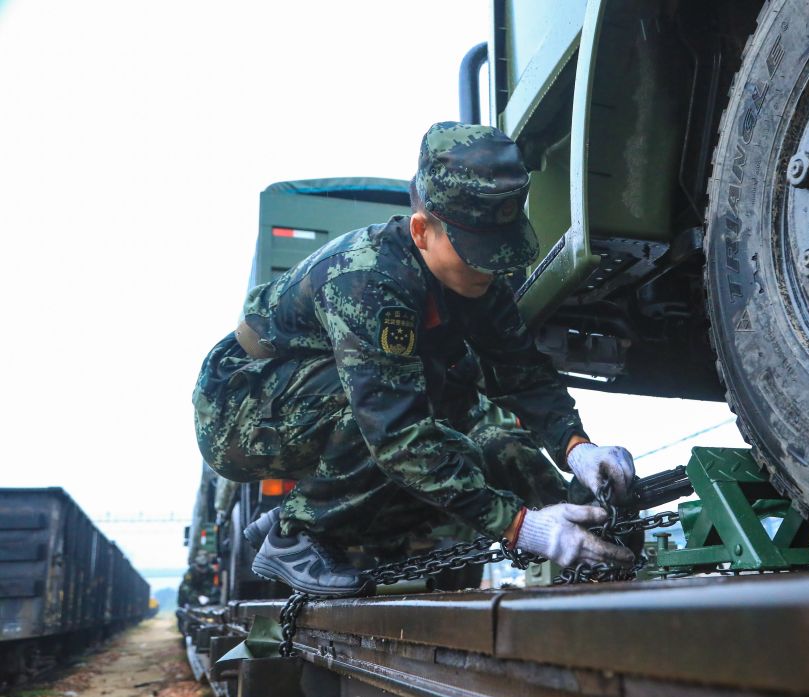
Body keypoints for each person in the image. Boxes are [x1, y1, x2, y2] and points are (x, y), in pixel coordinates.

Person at [193, 122, 636, 596]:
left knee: (461, 443)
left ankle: (297, 513)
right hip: (238, 408)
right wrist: (522, 527)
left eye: (499, 249)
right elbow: (396, 434)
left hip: (311, 400)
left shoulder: (478, 280)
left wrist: (577, 449)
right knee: (415, 419)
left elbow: (522, 374)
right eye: (477, 252)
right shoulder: (367, 280)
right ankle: (294, 535)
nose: (492, 265)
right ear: (422, 231)